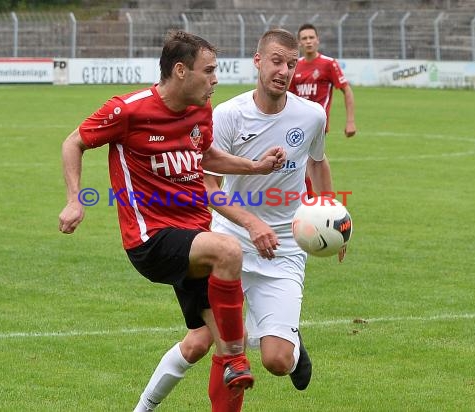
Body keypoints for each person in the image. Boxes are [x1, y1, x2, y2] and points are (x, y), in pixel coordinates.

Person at [58, 30, 287, 410]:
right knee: (228, 251)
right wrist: (74, 200)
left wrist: (256, 167)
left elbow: (205, 157)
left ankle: (174, 392)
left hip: (193, 239)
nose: (216, 79)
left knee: (219, 340)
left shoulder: (201, 109)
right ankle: (235, 360)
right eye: (209, 71)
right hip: (151, 239)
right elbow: (74, 142)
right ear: (180, 71)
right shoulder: (128, 110)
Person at [134, 28, 341, 412]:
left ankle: (288, 344)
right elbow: (208, 186)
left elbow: (318, 161)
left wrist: (333, 221)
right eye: (276, 61)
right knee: (201, 342)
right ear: (258, 61)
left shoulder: (311, 115)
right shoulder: (227, 114)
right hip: (229, 244)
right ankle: (143, 408)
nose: (284, 71)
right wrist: (249, 223)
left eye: (292, 64)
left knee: (277, 361)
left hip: (285, 247)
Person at [288, 23, 356, 195]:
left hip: (317, 124)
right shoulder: (295, 65)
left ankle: (314, 202)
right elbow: (289, 98)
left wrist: (350, 121)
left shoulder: (328, 64)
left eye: (311, 37)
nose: (308, 41)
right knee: (300, 166)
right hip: (296, 125)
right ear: (299, 43)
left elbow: (346, 90)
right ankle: (315, 203)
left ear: (317, 40)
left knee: (308, 164)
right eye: (304, 38)